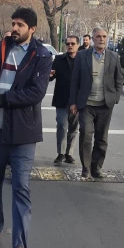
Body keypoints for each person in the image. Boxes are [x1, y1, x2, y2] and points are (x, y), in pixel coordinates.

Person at [0, 8, 51, 248]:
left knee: (21, 188)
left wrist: (1, 99)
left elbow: (35, 93)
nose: (15, 28)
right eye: (13, 24)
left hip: (23, 133)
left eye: (20, 25)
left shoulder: (41, 55)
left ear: (32, 28)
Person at [70, 27, 124, 180]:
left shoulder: (114, 57)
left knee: (102, 138)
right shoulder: (82, 56)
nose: (101, 39)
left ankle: (96, 167)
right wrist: (73, 102)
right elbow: (75, 80)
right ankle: (85, 168)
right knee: (86, 134)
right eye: (98, 36)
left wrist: (116, 97)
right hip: (86, 103)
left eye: (104, 36)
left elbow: (119, 79)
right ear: (93, 39)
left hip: (105, 104)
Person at [50, 35, 80, 166]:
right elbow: (51, 76)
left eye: (73, 43)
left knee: (74, 128)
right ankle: (61, 153)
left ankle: (69, 153)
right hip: (62, 98)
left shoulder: (83, 59)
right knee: (62, 125)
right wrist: (49, 75)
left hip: (78, 100)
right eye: (68, 43)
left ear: (78, 45)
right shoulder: (58, 59)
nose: (70, 46)